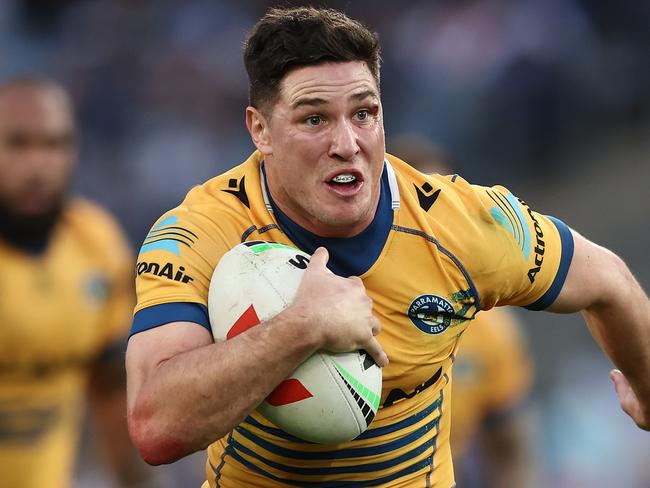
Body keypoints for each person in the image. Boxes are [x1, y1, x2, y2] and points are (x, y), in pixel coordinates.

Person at [126, 7, 650, 488]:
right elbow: (155, 426)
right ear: (259, 129)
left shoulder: (459, 224)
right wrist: (303, 327)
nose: (347, 143)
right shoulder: (202, 231)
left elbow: (610, 282)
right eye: (314, 119)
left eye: (364, 113)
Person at [0, 77, 150, 488]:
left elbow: (110, 391)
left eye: (54, 144)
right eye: (18, 143)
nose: (38, 164)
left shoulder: (96, 244)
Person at [389, 134, 535, 487]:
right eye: (420, 212)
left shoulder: (490, 329)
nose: (436, 231)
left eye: (446, 209)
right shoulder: (345, 309)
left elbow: (509, 452)